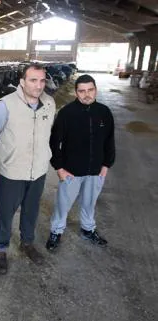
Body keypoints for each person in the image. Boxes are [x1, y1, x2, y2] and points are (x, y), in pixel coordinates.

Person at [0, 63, 56, 275]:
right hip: (12, 171)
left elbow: (47, 134)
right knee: (6, 213)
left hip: (38, 170)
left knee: (31, 209)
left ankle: (27, 243)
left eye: (42, 80)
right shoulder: (5, 105)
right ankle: (1, 250)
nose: (38, 85)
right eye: (33, 80)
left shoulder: (50, 103)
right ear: (22, 82)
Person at [45, 74, 115, 251]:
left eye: (90, 90)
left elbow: (109, 141)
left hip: (96, 170)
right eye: (82, 91)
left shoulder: (104, 112)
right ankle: (56, 231)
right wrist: (59, 168)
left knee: (89, 203)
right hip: (71, 170)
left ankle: (88, 229)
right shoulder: (67, 113)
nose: (87, 94)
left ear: (95, 90)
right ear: (76, 92)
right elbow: (54, 142)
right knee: (63, 204)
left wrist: (106, 165)